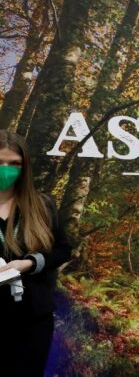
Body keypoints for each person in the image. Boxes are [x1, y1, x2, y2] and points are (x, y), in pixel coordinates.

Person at [0, 130, 72, 377]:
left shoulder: (43, 206)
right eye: (0, 162)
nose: (6, 170)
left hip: (33, 319)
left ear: (25, 167)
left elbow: (62, 249)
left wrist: (29, 263)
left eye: (14, 163)